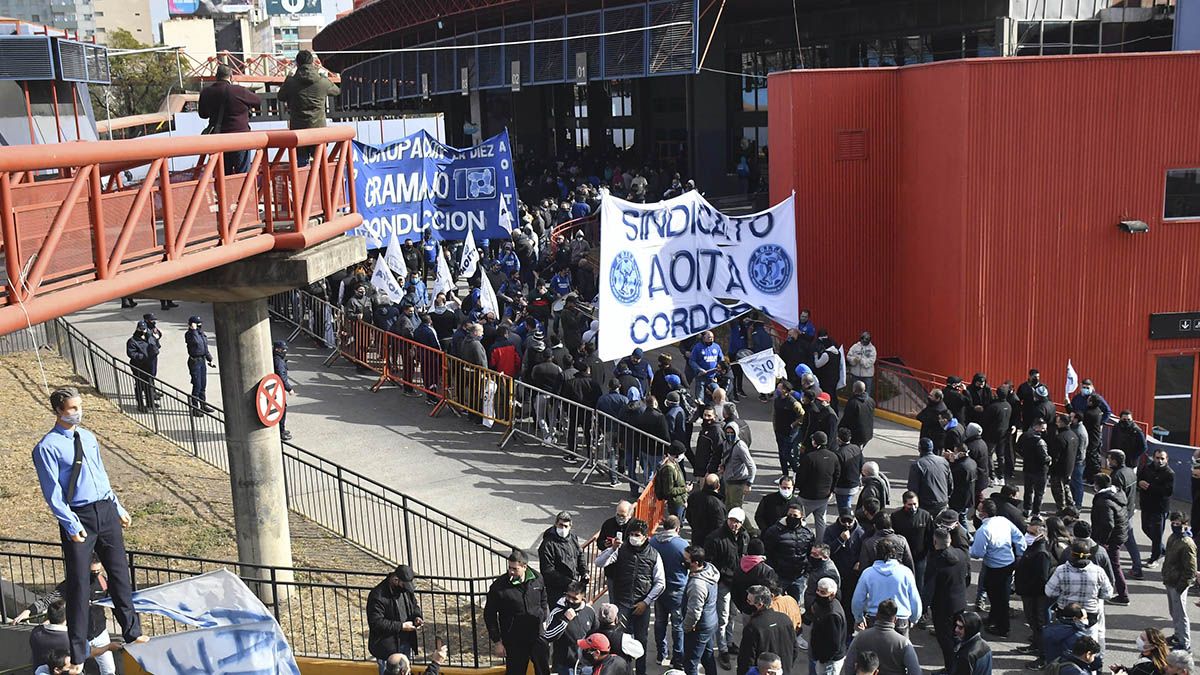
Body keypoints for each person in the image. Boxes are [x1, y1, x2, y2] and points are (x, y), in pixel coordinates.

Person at [32, 387, 146, 669]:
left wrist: (117, 507)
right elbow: (52, 492)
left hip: (104, 508)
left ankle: (132, 631)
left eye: (79, 407)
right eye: (72, 408)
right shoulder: (47, 447)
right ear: (58, 410)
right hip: (79, 514)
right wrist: (70, 523)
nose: (78, 413)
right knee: (80, 583)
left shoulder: (88, 437)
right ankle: (79, 649)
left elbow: (101, 475)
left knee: (119, 573)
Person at [14, 572, 123, 674]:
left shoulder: (37, 633)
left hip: (99, 632)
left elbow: (116, 600)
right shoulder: (69, 638)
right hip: (82, 635)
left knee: (108, 670)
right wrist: (108, 647)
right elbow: (88, 652)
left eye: (98, 571)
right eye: (92, 572)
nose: (95, 575)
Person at [595, 519, 664, 675]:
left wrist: (646, 602)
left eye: (637, 535)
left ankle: (640, 672)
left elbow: (660, 583)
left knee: (641, 641)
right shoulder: (621, 550)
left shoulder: (654, 555)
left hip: (642, 605)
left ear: (645, 537)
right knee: (619, 641)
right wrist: (612, 549)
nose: (633, 537)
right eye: (631, 534)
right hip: (622, 603)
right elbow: (599, 563)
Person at [485, 550, 550, 675]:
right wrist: (497, 641)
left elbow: (543, 599)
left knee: (543, 670)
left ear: (524, 567)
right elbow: (489, 615)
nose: (511, 571)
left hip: (537, 635)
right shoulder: (499, 587)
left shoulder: (537, 578)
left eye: (515, 568)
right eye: (509, 568)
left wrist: (542, 617)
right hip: (514, 639)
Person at [969, 499, 1025, 637]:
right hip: (1008, 564)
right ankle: (993, 618)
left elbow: (977, 553)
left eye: (979, 509)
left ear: (983, 513)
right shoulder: (1003, 521)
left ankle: (1003, 628)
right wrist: (1019, 554)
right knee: (998, 596)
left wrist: (967, 548)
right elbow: (1019, 537)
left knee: (998, 599)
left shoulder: (983, 530)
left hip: (995, 568)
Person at [1045, 541, 1113, 654]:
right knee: (1089, 649)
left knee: (1064, 647)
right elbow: (1108, 594)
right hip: (1089, 617)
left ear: (1071, 554)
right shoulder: (1098, 571)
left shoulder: (1061, 570)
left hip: (1066, 615)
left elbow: (1049, 591)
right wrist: (1096, 595)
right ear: (1088, 555)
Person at [704, 508, 750, 668]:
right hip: (722, 583)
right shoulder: (715, 538)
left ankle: (729, 642)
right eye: (732, 520)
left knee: (732, 614)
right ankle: (722, 649)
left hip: (737, 583)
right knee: (722, 616)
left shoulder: (744, 537)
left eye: (737, 522)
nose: (734, 524)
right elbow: (709, 563)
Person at [277, 50, 340, 166]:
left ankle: (302, 177)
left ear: (297, 63)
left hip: (299, 130)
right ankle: (320, 177)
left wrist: (288, 78)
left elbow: (280, 96)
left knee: (301, 164)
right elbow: (336, 91)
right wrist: (323, 76)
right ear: (312, 62)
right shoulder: (322, 82)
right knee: (320, 164)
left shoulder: (291, 82)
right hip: (318, 129)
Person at [197, 64, 262, 174]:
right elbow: (258, 101)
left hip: (218, 138)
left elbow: (203, 114)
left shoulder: (206, 92)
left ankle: (225, 186)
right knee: (242, 174)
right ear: (231, 77)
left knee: (223, 174)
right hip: (240, 137)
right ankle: (242, 185)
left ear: (216, 76)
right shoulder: (239, 90)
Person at [851, 539, 922, 631]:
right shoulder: (906, 572)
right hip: (901, 619)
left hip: (875, 618)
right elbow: (915, 599)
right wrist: (914, 619)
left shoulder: (868, 573)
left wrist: (859, 618)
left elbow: (857, 600)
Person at [925, 528, 968, 671]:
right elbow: (967, 576)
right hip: (959, 601)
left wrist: (924, 607)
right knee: (958, 635)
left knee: (945, 640)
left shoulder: (935, 562)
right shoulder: (961, 554)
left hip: (942, 607)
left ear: (935, 542)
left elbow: (929, 587)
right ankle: (958, 664)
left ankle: (951, 669)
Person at [840, 599, 920, 675]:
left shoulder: (861, 637)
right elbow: (915, 671)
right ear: (895, 620)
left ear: (877, 616)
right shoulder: (903, 643)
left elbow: (849, 664)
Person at [650, 516, 689, 669]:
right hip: (678, 590)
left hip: (659, 589)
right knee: (678, 626)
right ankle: (678, 658)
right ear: (677, 528)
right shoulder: (682, 545)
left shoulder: (653, 542)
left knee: (660, 622)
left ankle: (661, 653)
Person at [1013, 518, 1054, 664]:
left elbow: (1041, 578)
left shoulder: (1041, 553)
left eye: (1031, 533)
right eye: (1028, 532)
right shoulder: (1033, 547)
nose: (1028, 535)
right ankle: (1035, 645)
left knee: (1038, 623)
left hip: (1035, 595)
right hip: (1028, 593)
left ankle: (1042, 654)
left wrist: (1026, 588)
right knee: (1033, 622)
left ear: (1041, 534)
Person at [367, 565, 423, 669]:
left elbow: (414, 605)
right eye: (403, 585)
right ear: (395, 580)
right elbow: (376, 623)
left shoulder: (405, 590)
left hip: (405, 643)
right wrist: (401, 626)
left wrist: (417, 617)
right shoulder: (378, 595)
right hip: (387, 649)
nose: (405, 588)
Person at [738, 585, 798, 675]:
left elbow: (746, 660)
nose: (747, 603)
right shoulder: (785, 619)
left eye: (749, 601)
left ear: (759, 605)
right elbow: (795, 648)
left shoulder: (752, 627)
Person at [1090, 474, 1131, 604]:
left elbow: (1108, 524)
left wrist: (1103, 541)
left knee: (1114, 565)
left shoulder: (1104, 502)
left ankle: (1123, 595)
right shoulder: (1117, 494)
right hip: (1119, 535)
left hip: (1111, 539)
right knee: (1112, 564)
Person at [762, 500, 815, 602]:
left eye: (795, 516)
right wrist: (773, 573)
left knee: (794, 605)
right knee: (777, 604)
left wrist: (806, 573)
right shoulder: (774, 531)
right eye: (790, 515)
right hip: (780, 576)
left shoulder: (808, 533)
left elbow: (810, 553)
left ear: (801, 517)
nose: (792, 518)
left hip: (799, 577)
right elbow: (768, 552)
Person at [542, 581, 598, 675]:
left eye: (574, 599)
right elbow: (548, 636)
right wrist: (565, 620)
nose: (570, 601)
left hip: (586, 666)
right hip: (564, 666)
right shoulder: (557, 612)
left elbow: (596, 634)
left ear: (583, 598)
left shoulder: (589, 611)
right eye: (568, 596)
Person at [682, 545, 720, 675]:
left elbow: (694, 612)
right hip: (710, 622)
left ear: (696, 563)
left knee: (691, 663)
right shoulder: (709, 570)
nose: (683, 561)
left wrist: (686, 627)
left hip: (698, 628)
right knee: (707, 656)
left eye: (686, 559)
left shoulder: (697, 585)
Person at [795, 431, 840, 542]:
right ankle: (820, 543)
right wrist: (831, 490)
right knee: (821, 521)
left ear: (815, 442)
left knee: (798, 518)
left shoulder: (809, 457)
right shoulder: (833, 457)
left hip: (806, 496)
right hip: (824, 496)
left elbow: (801, 477)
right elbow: (837, 475)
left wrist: (798, 487)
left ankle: (799, 541)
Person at [891, 492, 932, 612]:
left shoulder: (925, 515)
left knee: (919, 585)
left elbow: (930, 536)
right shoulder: (896, 517)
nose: (913, 507)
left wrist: (927, 553)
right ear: (904, 504)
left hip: (920, 558)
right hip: (902, 558)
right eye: (910, 505)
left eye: (915, 504)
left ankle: (920, 611)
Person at [1161, 511, 1196, 651]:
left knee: (1181, 615)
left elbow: (1191, 570)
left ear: (1185, 524)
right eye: (1173, 523)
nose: (1175, 526)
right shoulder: (1173, 537)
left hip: (1178, 584)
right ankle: (1177, 635)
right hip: (1170, 580)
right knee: (1174, 612)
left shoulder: (1187, 543)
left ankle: (1185, 643)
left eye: (1178, 523)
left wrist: (1181, 586)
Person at [538, 512, 588, 606]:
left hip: (573, 587)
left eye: (566, 526)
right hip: (556, 590)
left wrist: (584, 572)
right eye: (560, 525)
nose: (563, 529)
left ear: (570, 526)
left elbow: (579, 555)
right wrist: (568, 582)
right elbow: (548, 570)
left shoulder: (572, 537)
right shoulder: (548, 544)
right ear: (556, 524)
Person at [1139, 448, 1175, 566]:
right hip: (1146, 505)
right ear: (1153, 458)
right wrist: (1140, 483)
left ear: (1167, 459)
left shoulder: (1169, 473)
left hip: (1159, 508)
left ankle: (1154, 558)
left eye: (1162, 458)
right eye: (1157, 458)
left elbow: (1167, 491)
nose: (1160, 461)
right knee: (1145, 528)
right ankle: (1161, 549)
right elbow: (1139, 478)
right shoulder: (1146, 468)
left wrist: (1150, 487)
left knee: (1157, 534)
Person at [810, 577, 847, 675]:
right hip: (822, 655)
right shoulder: (825, 605)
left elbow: (834, 644)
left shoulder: (832, 615)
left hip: (829, 661)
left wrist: (823, 659)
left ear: (832, 594)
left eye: (823, 592)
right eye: (818, 590)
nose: (818, 594)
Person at [907, 438, 951, 516]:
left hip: (926, 504)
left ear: (919, 448)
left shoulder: (917, 465)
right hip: (942, 502)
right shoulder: (943, 461)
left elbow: (913, 488)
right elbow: (950, 484)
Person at [1018, 419, 1052, 518]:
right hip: (1040, 470)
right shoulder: (1040, 442)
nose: (1044, 431)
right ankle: (1036, 513)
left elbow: (1018, 448)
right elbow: (1044, 457)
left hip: (1028, 468)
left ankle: (1026, 509)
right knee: (1039, 493)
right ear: (1037, 427)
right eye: (1043, 428)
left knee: (1028, 490)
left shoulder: (1024, 436)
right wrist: (1050, 460)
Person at [721, 422, 756, 513]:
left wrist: (749, 484)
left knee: (736, 510)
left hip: (738, 482)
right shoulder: (725, 443)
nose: (729, 435)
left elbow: (751, 466)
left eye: (732, 433)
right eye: (727, 432)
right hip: (728, 481)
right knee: (727, 506)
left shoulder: (740, 446)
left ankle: (745, 523)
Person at [184, 315, 215, 416]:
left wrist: (209, 359)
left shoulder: (201, 333)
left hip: (202, 360)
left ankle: (203, 404)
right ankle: (195, 408)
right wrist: (193, 330)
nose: (200, 325)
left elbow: (204, 347)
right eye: (197, 323)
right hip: (194, 362)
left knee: (203, 384)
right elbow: (196, 342)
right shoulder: (189, 334)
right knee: (197, 385)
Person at [1048, 414, 1079, 511]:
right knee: (1066, 489)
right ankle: (1071, 509)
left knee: (1058, 492)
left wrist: (1050, 469)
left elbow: (1055, 456)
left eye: (1058, 421)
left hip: (1058, 470)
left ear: (1061, 422)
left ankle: (1061, 510)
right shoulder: (1074, 435)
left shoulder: (1060, 437)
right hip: (1069, 468)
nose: (1056, 423)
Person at [686, 475, 726, 547]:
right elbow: (719, 525)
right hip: (711, 541)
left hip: (696, 536)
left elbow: (688, 515)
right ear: (718, 486)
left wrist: (695, 527)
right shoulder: (718, 504)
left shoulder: (693, 497)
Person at [951, 610, 992, 675]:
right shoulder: (986, 646)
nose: (956, 629)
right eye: (956, 625)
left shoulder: (965, 655)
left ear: (969, 629)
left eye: (960, 627)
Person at [271, 340, 296, 441]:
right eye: (283, 349)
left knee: (280, 408)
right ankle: (281, 431)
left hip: (276, 388)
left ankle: (281, 429)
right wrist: (289, 388)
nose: (284, 351)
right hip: (278, 388)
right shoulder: (279, 361)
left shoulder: (277, 359)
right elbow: (282, 376)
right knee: (281, 409)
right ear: (277, 349)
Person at [688, 331, 724, 400]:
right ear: (704, 338)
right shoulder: (697, 347)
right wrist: (699, 369)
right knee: (700, 399)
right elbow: (692, 361)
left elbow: (721, 359)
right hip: (701, 377)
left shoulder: (716, 347)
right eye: (709, 337)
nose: (711, 339)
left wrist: (719, 368)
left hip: (712, 377)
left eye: (712, 337)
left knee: (719, 394)